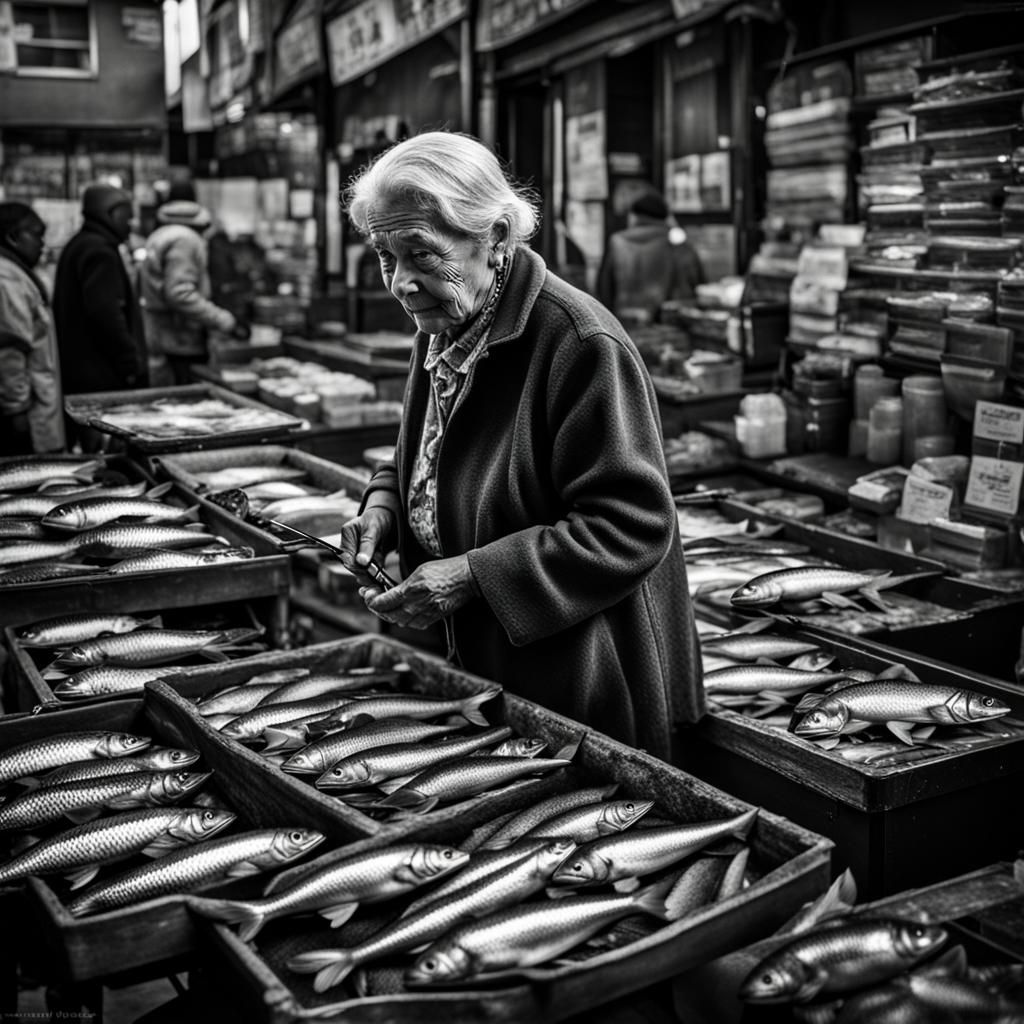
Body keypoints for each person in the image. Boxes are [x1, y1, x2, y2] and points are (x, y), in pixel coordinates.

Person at [338, 131, 703, 760]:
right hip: (487, 663)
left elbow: (632, 524)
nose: (400, 282)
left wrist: (474, 575)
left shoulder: (579, 343)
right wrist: (386, 507)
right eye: (384, 256)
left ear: (497, 239)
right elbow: (431, 445)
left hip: (579, 673)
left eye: (422, 255)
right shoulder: (447, 323)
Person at [53, 184, 146, 451]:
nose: (131, 224)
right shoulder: (99, 251)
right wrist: (130, 362)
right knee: (101, 447)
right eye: (127, 217)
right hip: (98, 371)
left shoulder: (81, 243)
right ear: (110, 214)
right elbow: (105, 313)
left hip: (82, 368)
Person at [139, 200, 250, 387]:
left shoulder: (159, 235)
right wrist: (225, 321)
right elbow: (180, 294)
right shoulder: (185, 240)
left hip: (161, 336)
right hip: (180, 339)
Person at [0, 202, 65, 454]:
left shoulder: (16, 272)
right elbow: (9, 351)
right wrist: (16, 409)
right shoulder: (6, 279)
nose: (42, 244)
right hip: (28, 413)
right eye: (37, 235)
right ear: (13, 237)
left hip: (38, 404)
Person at [596, 191, 706, 325]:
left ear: (634, 216)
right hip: (667, 325)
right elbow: (695, 284)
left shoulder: (617, 242)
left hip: (625, 325)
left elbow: (604, 289)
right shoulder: (676, 242)